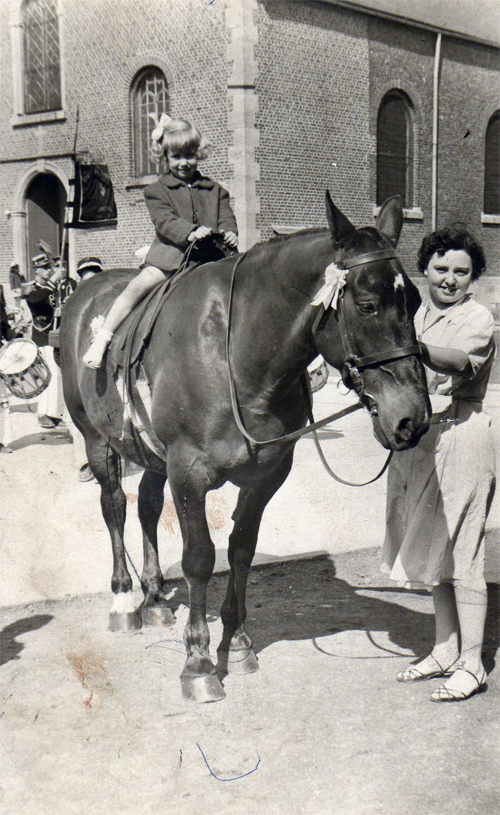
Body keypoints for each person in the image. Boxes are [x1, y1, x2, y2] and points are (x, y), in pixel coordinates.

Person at [382, 225, 496, 702]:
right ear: (425, 269)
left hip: (464, 438)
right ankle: (445, 648)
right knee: (435, 552)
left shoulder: (480, 318)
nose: (450, 279)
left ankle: (473, 663)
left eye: (461, 272)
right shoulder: (415, 312)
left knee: (464, 552)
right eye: (441, 269)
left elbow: (455, 362)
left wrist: (412, 348)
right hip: (420, 442)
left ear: (474, 278)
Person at [83, 115, 238, 368]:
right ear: (165, 157)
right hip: (170, 259)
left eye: (189, 155)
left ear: (199, 154)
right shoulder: (156, 191)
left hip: (212, 259)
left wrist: (231, 232)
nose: (184, 163)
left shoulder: (216, 190)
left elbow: (227, 218)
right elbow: (164, 221)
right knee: (135, 288)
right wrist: (189, 232)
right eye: (176, 157)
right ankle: (102, 339)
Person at [21, 253, 75, 428]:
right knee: (51, 375)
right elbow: (35, 301)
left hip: (54, 336)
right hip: (43, 338)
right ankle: (46, 414)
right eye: (44, 268)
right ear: (36, 270)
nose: (48, 270)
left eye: (49, 267)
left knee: (56, 375)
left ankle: (53, 413)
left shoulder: (52, 288)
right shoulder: (33, 288)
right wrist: (52, 281)